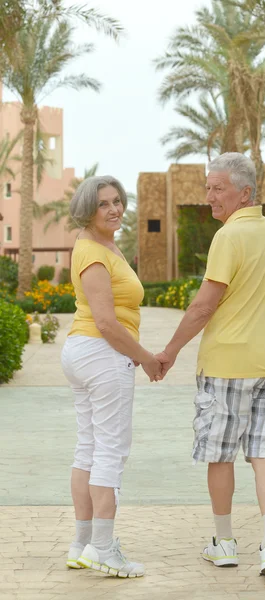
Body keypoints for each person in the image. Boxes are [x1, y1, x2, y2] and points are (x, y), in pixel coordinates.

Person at [156, 153, 265, 577]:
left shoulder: (229, 237)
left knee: (219, 456)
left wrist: (170, 351)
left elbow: (204, 305)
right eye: (207, 188)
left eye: (217, 188)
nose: (209, 197)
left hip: (225, 365)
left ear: (245, 192)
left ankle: (223, 544)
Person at [61, 175, 161, 578]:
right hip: (102, 354)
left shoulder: (101, 245)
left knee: (89, 447)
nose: (114, 209)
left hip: (85, 354)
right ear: (88, 209)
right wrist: (146, 358)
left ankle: (82, 544)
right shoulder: (93, 253)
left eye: (118, 201)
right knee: (110, 451)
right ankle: (104, 548)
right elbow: (106, 321)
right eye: (104, 203)